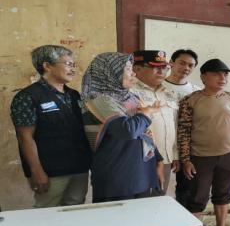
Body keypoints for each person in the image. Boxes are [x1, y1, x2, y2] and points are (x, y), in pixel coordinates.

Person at [177, 58, 230, 226]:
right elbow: (184, 131)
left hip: (229, 156)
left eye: (225, 74)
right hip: (200, 157)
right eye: (217, 74)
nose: (222, 77)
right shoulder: (191, 100)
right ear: (204, 77)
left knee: (223, 194)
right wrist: (186, 159)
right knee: (197, 197)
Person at [10, 45, 92, 208]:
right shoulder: (28, 97)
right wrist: (36, 171)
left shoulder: (73, 95)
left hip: (79, 167)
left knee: (76, 210)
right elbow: (25, 137)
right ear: (47, 66)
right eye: (68, 64)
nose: (73, 69)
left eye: (73, 65)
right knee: (47, 213)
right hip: (50, 171)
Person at [81, 52, 164, 203]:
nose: (133, 73)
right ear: (109, 72)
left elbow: (144, 132)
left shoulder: (130, 97)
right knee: (117, 222)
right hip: (117, 174)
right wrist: (147, 112)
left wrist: (157, 159)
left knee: (141, 222)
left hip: (141, 170)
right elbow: (127, 130)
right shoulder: (99, 100)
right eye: (127, 69)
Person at [131, 50, 179, 196]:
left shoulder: (168, 93)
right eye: (154, 67)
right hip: (140, 159)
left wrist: (175, 155)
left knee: (158, 200)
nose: (161, 71)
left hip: (165, 158)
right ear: (137, 68)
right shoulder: (129, 92)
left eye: (164, 67)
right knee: (139, 203)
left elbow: (174, 125)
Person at [163, 49, 201, 205]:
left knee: (186, 187)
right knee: (160, 188)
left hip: (188, 148)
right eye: (182, 63)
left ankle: (185, 222)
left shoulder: (196, 92)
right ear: (171, 63)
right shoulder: (158, 87)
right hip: (163, 146)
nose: (186, 68)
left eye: (191, 65)